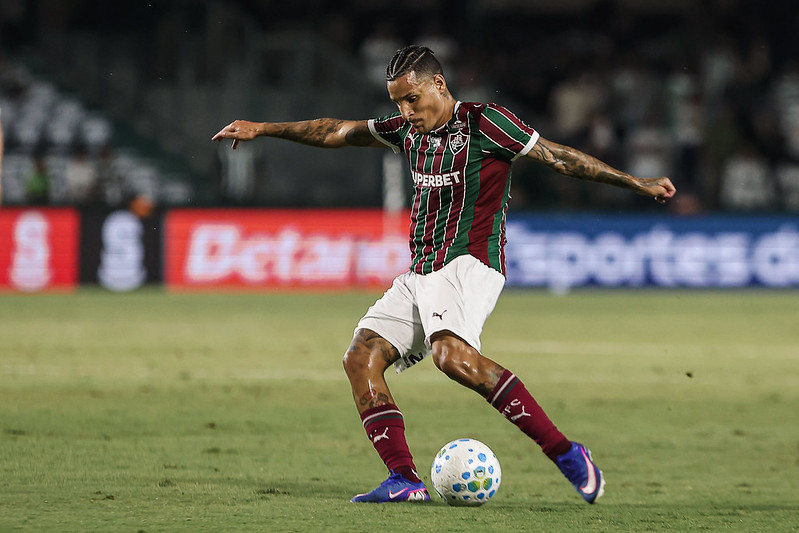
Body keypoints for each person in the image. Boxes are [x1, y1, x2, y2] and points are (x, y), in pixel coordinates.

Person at [212, 45, 676, 504]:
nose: (405, 111)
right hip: (421, 271)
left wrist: (636, 183)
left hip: (470, 263)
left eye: (412, 99)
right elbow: (337, 131)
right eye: (398, 102)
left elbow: (558, 157)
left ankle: (567, 453)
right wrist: (265, 129)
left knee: (452, 358)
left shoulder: (484, 123)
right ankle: (404, 479)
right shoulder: (405, 132)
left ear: (438, 83)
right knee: (361, 357)